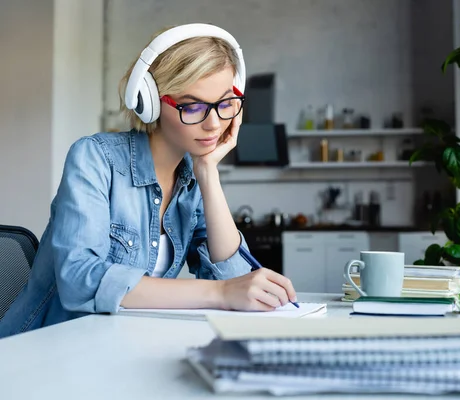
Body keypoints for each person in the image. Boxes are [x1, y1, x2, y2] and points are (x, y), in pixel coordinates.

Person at [0, 23, 296, 339]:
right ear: (149, 101)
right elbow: (79, 280)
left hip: (123, 343)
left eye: (225, 104)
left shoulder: (191, 179)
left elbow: (234, 276)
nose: (213, 123)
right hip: (48, 347)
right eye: (193, 106)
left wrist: (208, 173)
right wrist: (219, 293)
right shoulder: (96, 159)